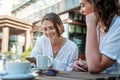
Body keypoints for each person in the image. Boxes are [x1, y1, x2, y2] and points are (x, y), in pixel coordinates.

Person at [73, 0, 120, 74]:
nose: (81, 11)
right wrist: (85, 64)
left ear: (97, 5)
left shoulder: (117, 25)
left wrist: (91, 24)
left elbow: (94, 67)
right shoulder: (99, 26)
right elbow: (94, 61)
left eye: (83, 5)